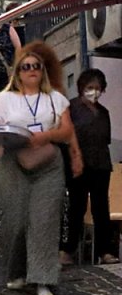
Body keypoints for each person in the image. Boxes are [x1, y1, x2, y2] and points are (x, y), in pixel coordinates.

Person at [0, 50, 72, 295]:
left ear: (42, 70)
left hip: (48, 162)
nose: (32, 70)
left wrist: (46, 136)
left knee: (44, 220)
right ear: (18, 73)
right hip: (14, 160)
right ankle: (17, 271)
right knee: (16, 220)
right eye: (26, 67)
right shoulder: (5, 99)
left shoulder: (55, 98)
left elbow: (66, 130)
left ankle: (43, 279)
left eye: (36, 66)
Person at [61, 69, 119, 265]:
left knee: (101, 208)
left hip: (100, 164)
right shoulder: (71, 108)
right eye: (90, 88)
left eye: (97, 88)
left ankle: (105, 250)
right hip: (78, 165)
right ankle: (68, 249)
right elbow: (66, 137)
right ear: (81, 88)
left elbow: (105, 139)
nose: (94, 92)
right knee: (76, 207)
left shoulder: (103, 112)